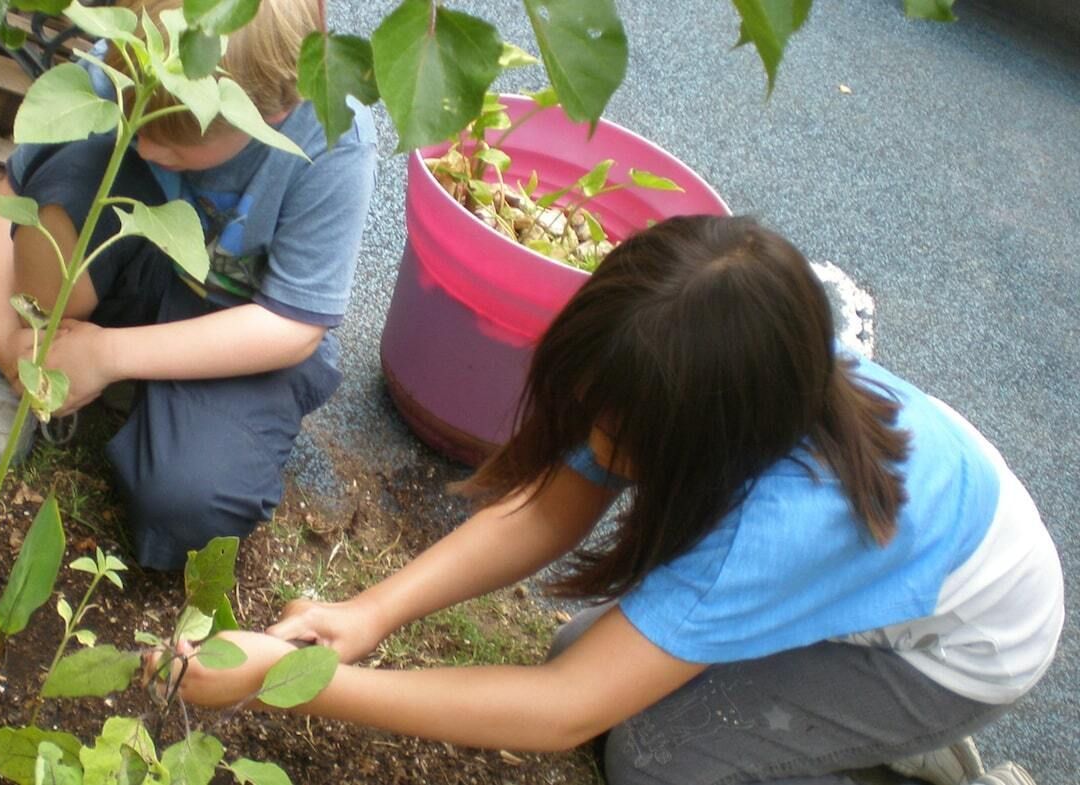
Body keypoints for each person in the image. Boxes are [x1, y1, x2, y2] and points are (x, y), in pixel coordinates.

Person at [170, 216, 1063, 785]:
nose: (596, 451)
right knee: (583, 650)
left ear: (714, 439)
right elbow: (553, 509)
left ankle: (908, 752)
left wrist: (301, 685)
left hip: (959, 649)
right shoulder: (706, 362)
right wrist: (366, 613)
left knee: (655, 757)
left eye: (621, 441)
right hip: (913, 554)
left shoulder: (771, 527)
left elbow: (563, 713)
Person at [0, 0, 376, 570]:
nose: (146, 146)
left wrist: (109, 354)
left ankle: (113, 372)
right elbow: (11, 195)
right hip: (142, 260)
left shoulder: (333, 135)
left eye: (175, 142)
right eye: (137, 113)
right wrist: (4, 344)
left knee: (190, 504)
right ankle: (37, 356)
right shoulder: (132, 60)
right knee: (74, 177)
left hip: (235, 322)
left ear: (269, 114)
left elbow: (293, 325)